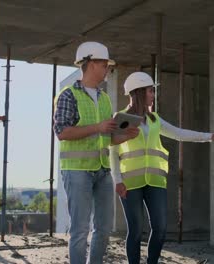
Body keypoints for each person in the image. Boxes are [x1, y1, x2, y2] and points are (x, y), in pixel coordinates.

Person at [109, 71, 214, 264]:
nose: (153, 95)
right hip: (130, 182)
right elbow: (112, 150)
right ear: (138, 93)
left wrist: (209, 136)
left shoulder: (155, 119)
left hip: (155, 181)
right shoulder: (121, 118)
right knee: (136, 230)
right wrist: (118, 180)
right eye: (149, 91)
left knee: (161, 227)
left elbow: (179, 133)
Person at [53, 41, 137, 264]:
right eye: (103, 65)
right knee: (80, 230)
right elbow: (62, 132)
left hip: (103, 170)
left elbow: (108, 138)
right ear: (90, 64)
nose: (107, 69)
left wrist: (126, 136)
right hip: (77, 171)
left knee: (104, 228)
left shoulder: (105, 97)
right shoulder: (68, 95)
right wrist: (98, 127)